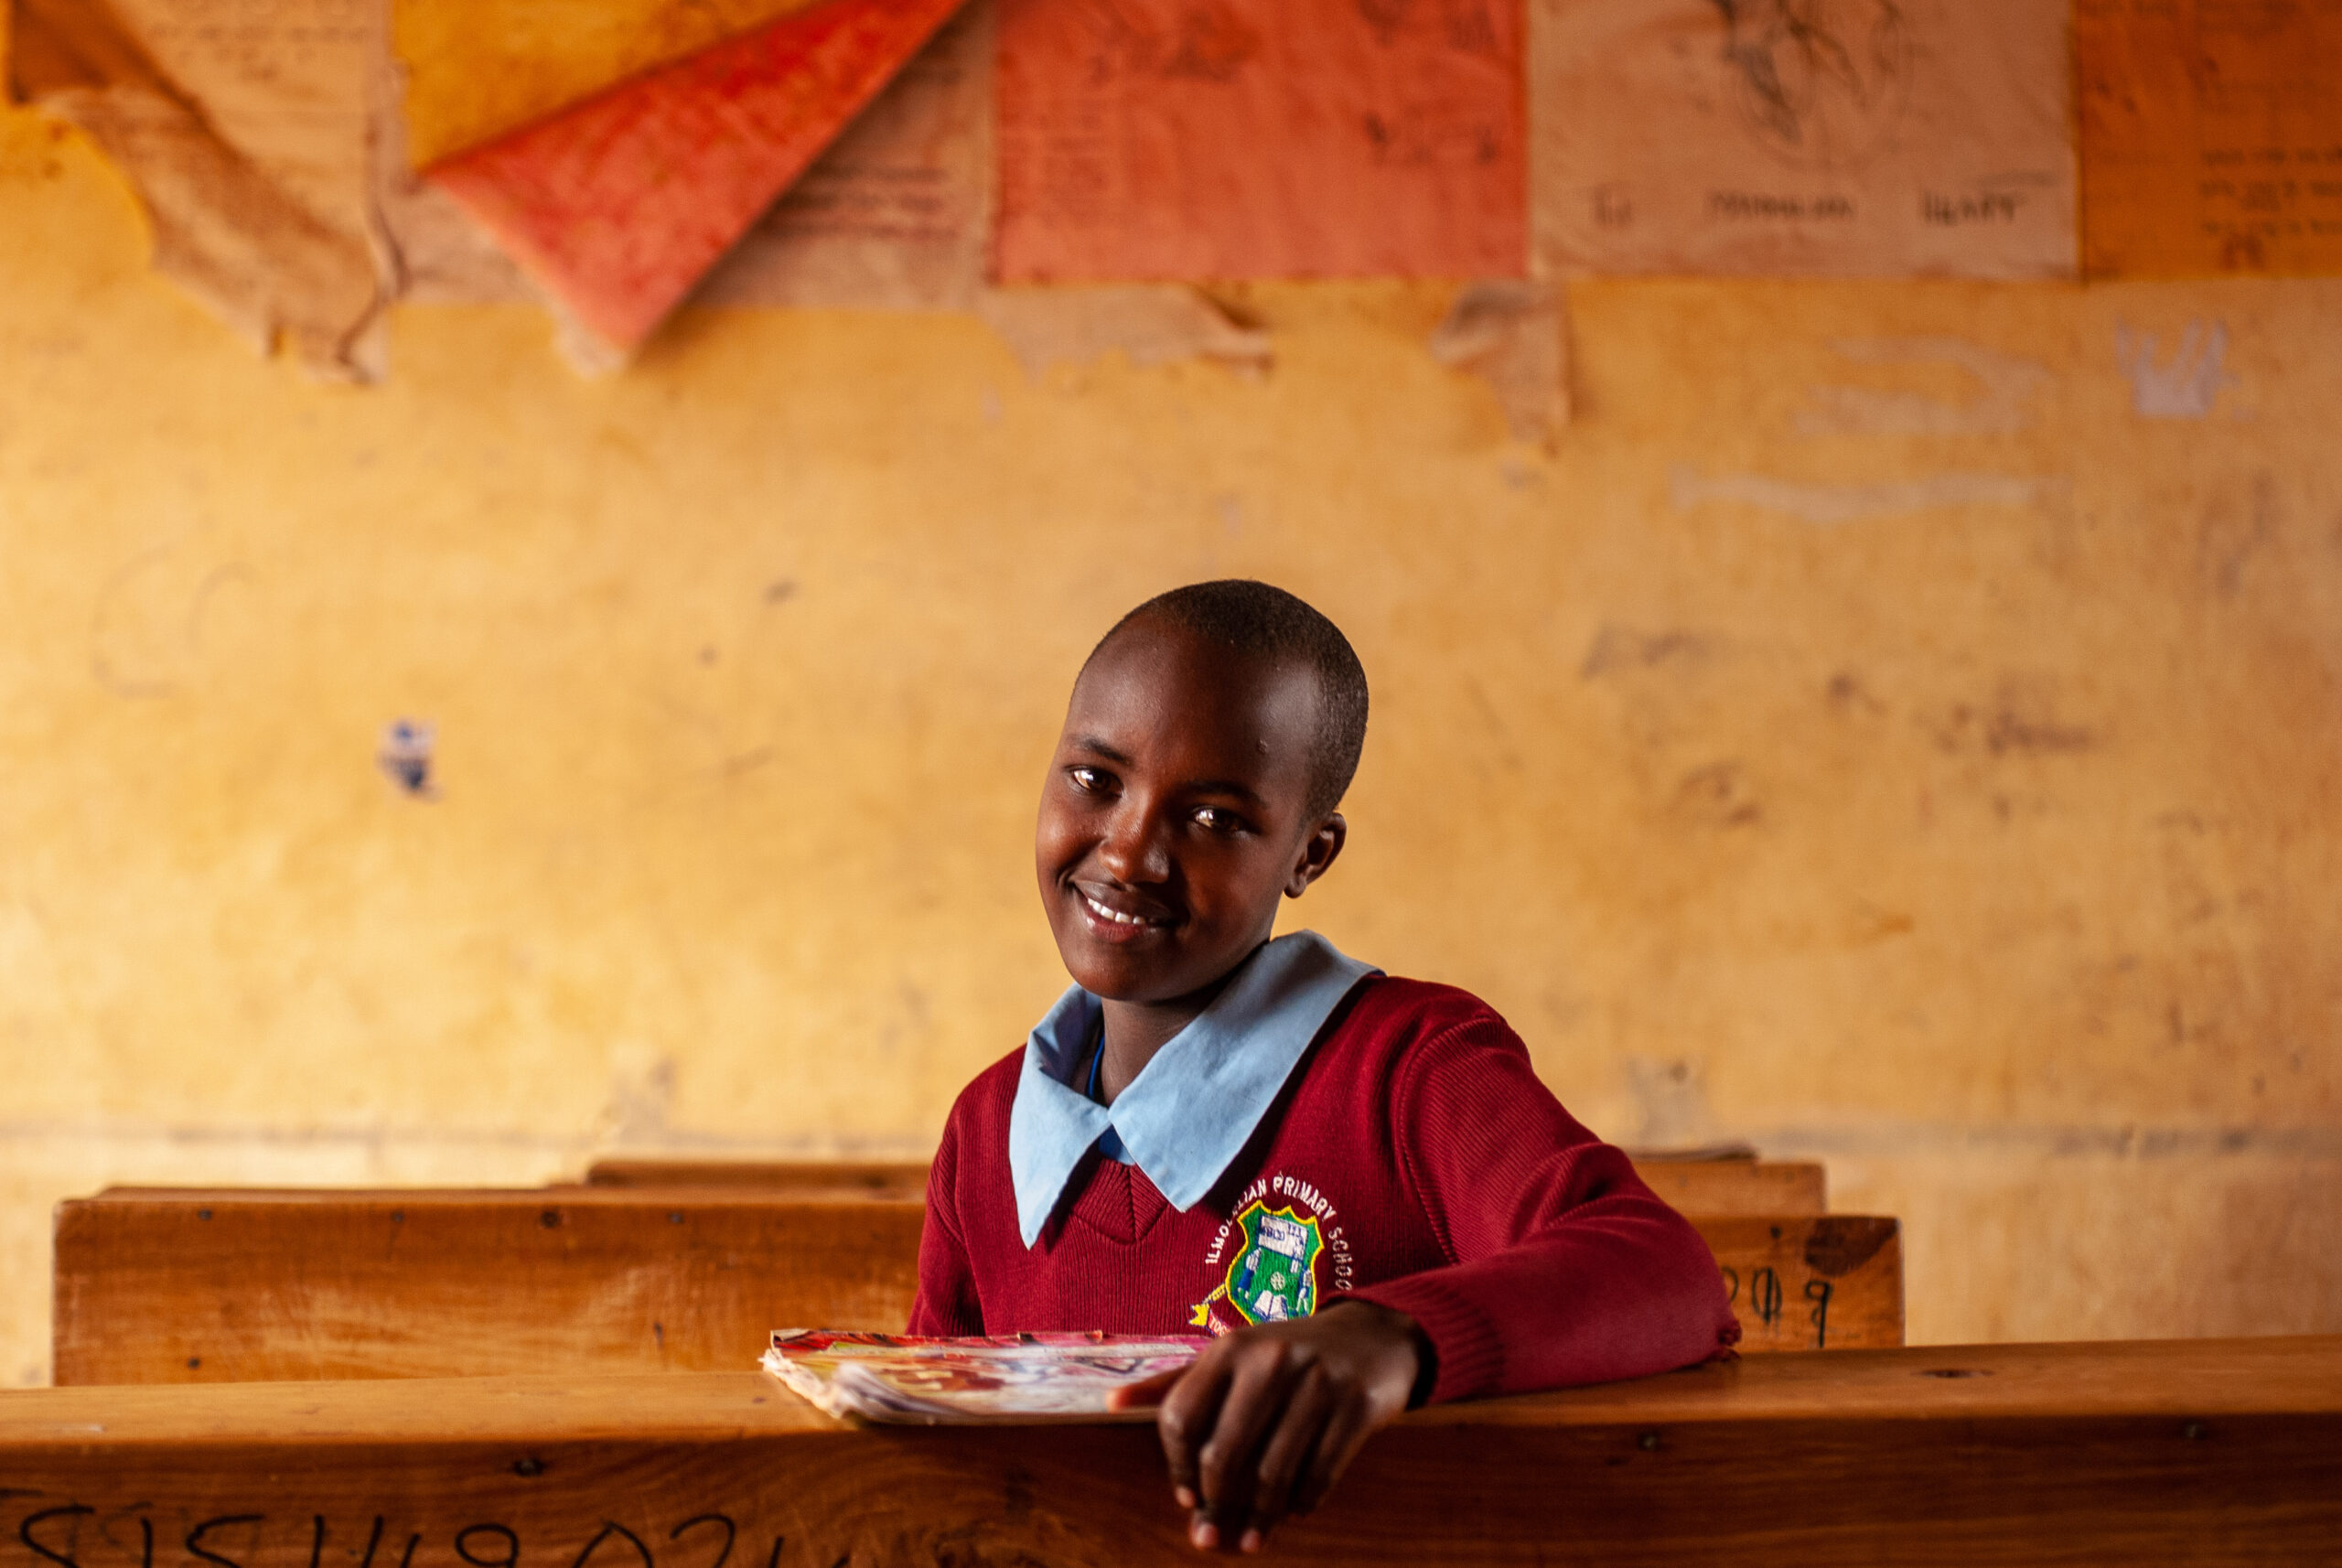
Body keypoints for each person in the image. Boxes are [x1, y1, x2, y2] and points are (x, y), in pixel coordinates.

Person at [908, 580, 1737, 1552]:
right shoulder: (987, 1127)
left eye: (1213, 818)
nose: (1130, 852)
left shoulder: (1407, 1067)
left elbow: (1666, 1272)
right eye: (1095, 780)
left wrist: (1388, 1335)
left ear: (1310, 853)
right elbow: (932, 1462)